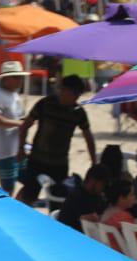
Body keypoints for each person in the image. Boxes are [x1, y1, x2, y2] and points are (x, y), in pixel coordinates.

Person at [17, 75, 95, 205]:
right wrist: (21, 148)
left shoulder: (78, 112)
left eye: (78, 95)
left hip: (59, 164)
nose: (76, 97)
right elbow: (25, 126)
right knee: (28, 197)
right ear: (63, 89)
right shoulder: (45, 104)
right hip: (37, 160)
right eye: (74, 93)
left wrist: (93, 161)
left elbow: (88, 137)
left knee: (58, 202)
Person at [56, 164, 109, 231]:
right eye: (103, 184)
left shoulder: (97, 197)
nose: (103, 188)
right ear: (93, 181)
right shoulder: (76, 197)